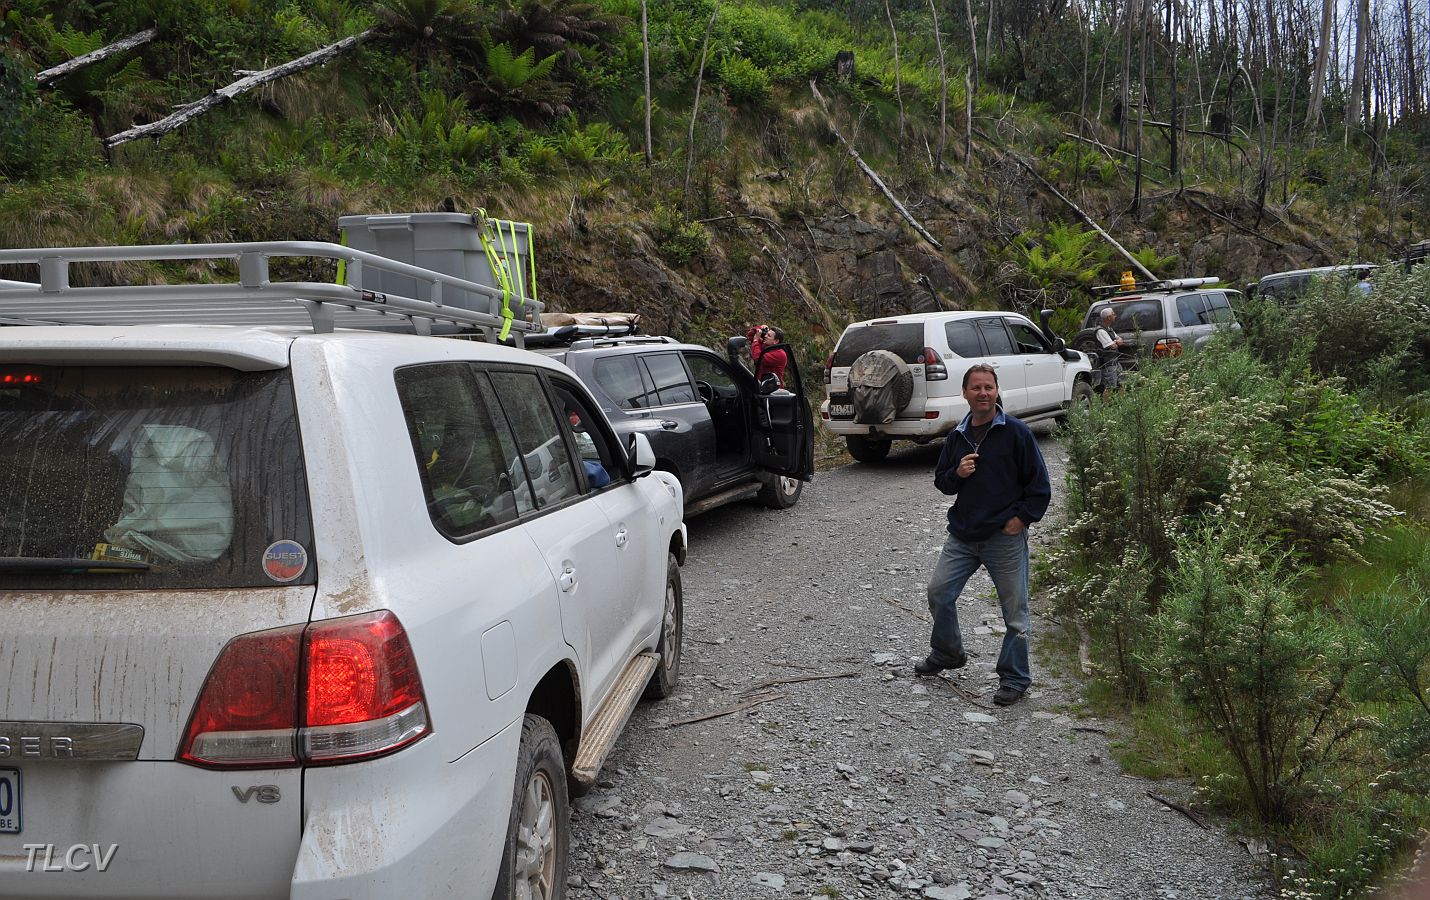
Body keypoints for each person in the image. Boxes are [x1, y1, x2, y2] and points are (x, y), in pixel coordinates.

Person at [915, 363, 1051, 707]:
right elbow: (942, 482)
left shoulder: (1016, 433)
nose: (983, 393)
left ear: (996, 391)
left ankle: (1015, 677)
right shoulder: (957, 436)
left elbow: (1040, 487)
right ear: (965, 393)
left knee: (1015, 614)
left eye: (988, 387)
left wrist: (1021, 520)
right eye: (976, 388)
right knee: (939, 593)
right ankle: (947, 653)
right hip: (963, 535)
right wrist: (958, 472)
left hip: (1003, 539)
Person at [1094, 307, 1127, 391]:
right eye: (1113, 314)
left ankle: (1121, 403)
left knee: (1122, 383)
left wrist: (1116, 341)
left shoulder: (1109, 329)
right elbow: (1113, 346)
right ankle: (1107, 404)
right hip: (1108, 364)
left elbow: (1120, 340)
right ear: (1108, 317)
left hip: (1115, 362)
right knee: (1109, 387)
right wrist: (1117, 342)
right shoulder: (1100, 331)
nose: (1115, 316)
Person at [746, 323, 788, 388]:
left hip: (772, 390)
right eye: (766, 334)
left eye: (769, 335)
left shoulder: (780, 354)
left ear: (776, 341)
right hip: (762, 386)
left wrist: (755, 341)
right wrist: (760, 328)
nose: (765, 336)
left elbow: (758, 358)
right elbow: (750, 335)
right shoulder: (767, 347)